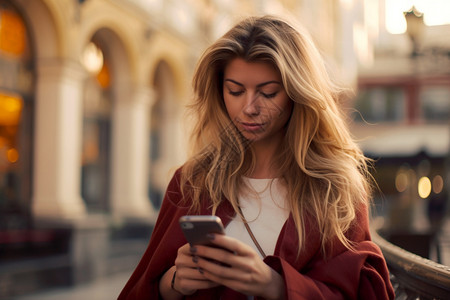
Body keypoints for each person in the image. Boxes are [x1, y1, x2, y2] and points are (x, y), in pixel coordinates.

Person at [118, 15, 395, 300]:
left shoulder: (336, 189)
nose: (248, 107)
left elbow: (358, 292)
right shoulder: (192, 182)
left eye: (268, 92)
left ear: (297, 93)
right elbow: (140, 289)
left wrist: (274, 285)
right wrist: (174, 283)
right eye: (235, 91)